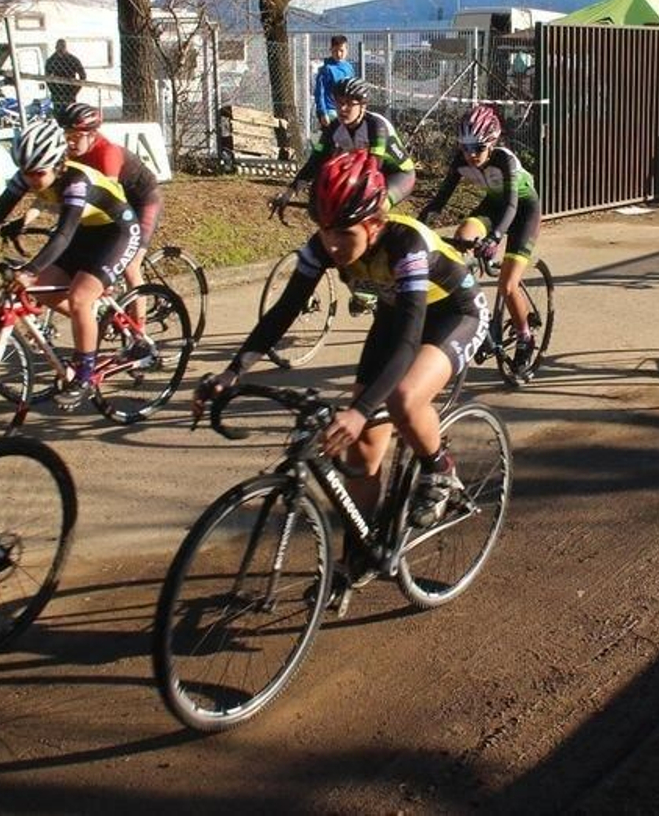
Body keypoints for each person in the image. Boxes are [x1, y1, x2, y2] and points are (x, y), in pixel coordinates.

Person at [195, 151, 489, 610]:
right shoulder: (324, 243)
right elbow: (284, 310)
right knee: (362, 455)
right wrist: (234, 370)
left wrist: (360, 409)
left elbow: (410, 342)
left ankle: (441, 470)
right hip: (396, 317)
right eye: (325, 229)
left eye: (343, 233)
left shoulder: (406, 244)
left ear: (374, 223)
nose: (331, 244)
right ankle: (357, 559)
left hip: (453, 314)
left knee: (406, 398)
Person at [0, 120, 140, 407]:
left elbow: (63, 234)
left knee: (80, 298)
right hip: (85, 231)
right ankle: (92, 324)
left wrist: (30, 270)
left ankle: (83, 375)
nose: (31, 179)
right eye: (26, 172)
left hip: (117, 231)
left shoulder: (76, 182)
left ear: (58, 163)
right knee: (42, 291)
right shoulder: (29, 174)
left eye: (38, 173)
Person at [418, 105, 543, 374]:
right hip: (493, 207)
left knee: (507, 285)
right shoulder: (461, 160)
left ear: (492, 143)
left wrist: (495, 237)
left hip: (522, 211)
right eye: (465, 148)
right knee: (462, 237)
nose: (471, 154)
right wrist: (418, 228)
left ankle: (525, 337)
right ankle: (475, 312)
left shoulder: (504, 160)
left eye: (477, 148)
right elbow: (439, 201)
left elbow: (511, 206)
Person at [40, 100, 162, 294]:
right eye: (66, 135)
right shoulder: (68, 153)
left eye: (76, 136)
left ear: (92, 134)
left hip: (140, 200)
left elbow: (109, 198)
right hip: (115, 203)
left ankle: (139, 324)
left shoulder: (107, 153)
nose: (69, 142)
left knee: (130, 266)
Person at [273, 76, 416, 214]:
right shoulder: (334, 127)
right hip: (367, 171)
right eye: (339, 102)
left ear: (363, 105)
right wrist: (290, 192)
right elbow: (315, 162)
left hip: (399, 174)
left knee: (374, 209)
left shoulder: (376, 126)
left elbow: (374, 167)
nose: (342, 108)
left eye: (349, 103)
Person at [312, 35, 356, 131]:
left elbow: (352, 88)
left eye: (341, 50)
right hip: (331, 110)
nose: (338, 54)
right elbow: (319, 93)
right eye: (335, 51)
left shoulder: (349, 67)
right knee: (333, 139)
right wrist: (323, 113)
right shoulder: (327, 69)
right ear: (331, 50)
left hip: (346, 109)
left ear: (346, 50)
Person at [44, 39, 86, 107]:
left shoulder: (73, 60)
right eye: (59, 47)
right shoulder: (51, 61)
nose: (60, 49)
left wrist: (75, 91)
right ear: (56, 48)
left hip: (70, 91)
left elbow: (83, 76)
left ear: (65, 48)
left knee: (70, 112)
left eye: (62, 47)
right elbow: (47, 78)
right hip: (57, 92)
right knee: (59, 113)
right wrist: (53, 90)